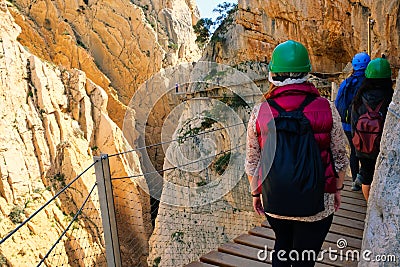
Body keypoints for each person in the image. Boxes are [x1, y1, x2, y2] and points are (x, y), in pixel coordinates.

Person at [245, 40, 349, 266]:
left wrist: (256, 194)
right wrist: (337, 189)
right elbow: (340, 157)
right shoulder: (326, 107)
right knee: (306, 257)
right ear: (306, 72)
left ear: (273, 73)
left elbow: (252, 161)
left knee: (282, 244)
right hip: (318, 201)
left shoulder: (260, 111)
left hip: (276, 198)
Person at [351, 57, 393, 201]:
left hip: (363, 145)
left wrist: (356, 143)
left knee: (367, 176)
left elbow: (354, 122)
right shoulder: (390, 97)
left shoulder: (360, 97)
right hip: (382, 146)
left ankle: (370, 207)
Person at [335, 52, 371, 191]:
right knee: (367, 151)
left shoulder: (346, 83)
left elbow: (338, 103)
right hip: (364, 125)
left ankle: (356, 180)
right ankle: (365, 179)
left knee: (354, 151)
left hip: (347, 125)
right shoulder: (368, 83)